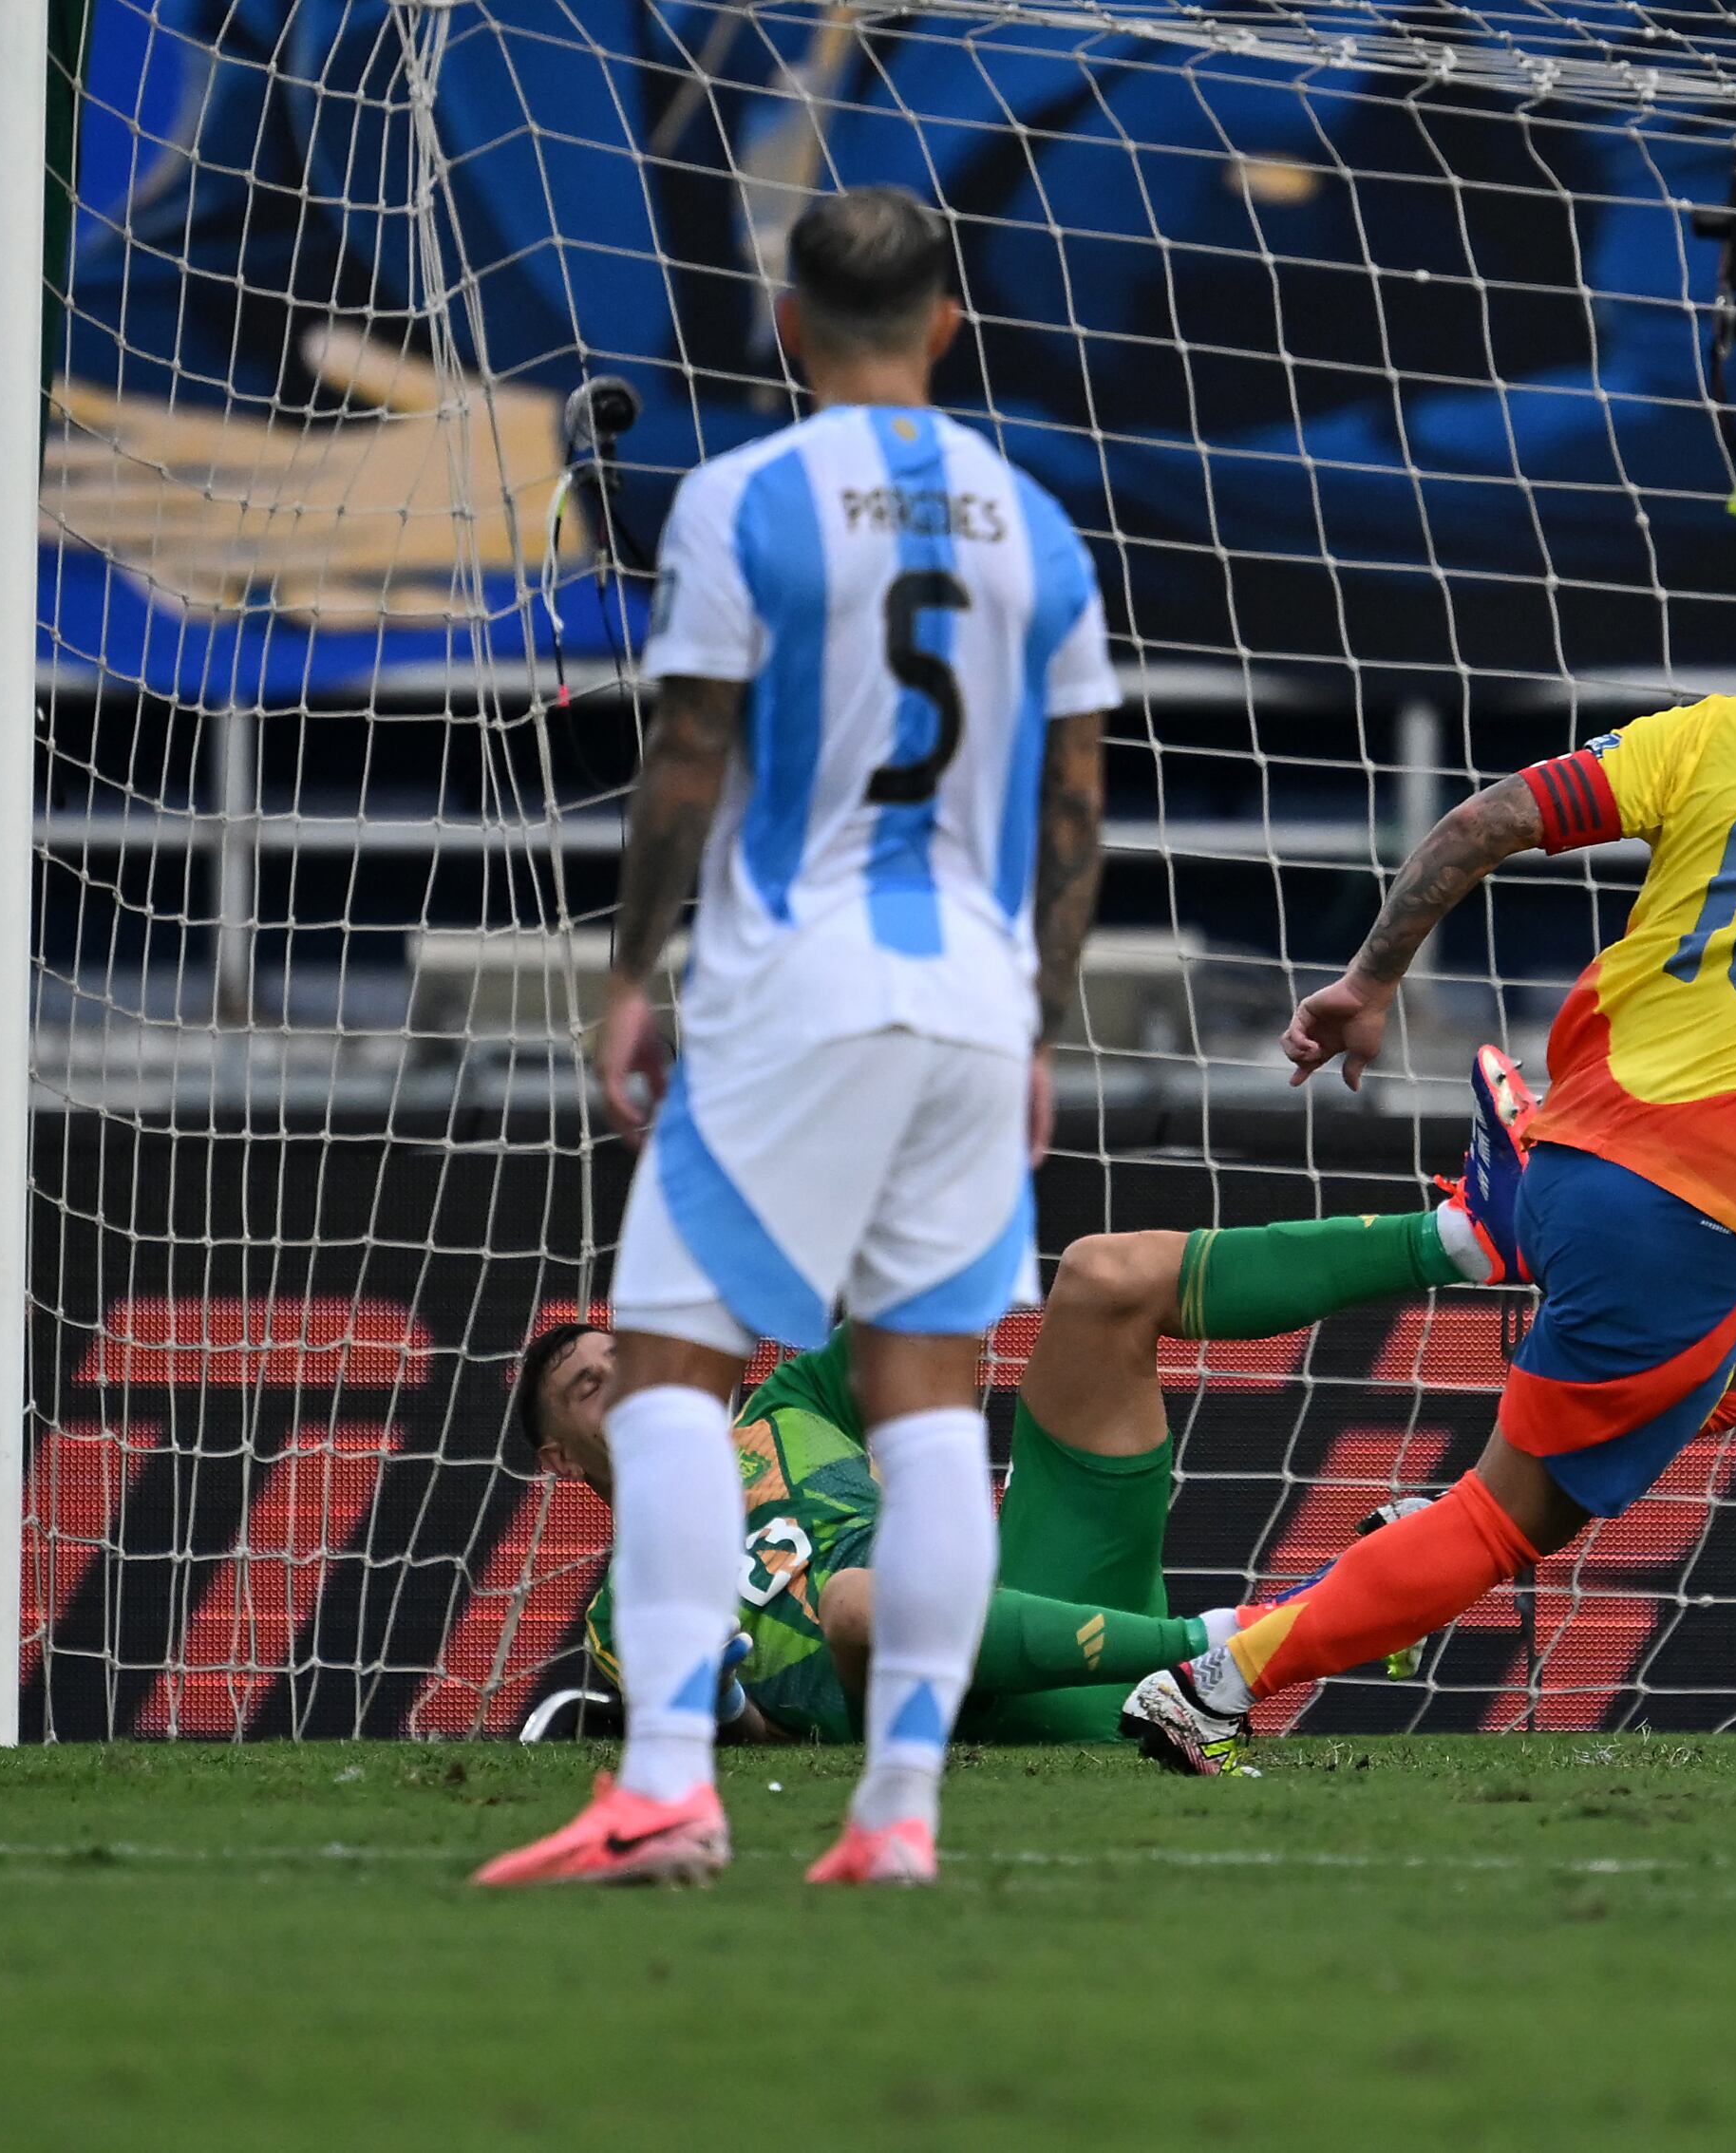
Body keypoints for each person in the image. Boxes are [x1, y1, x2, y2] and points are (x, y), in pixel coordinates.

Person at [1121, 499, 1736, 1771]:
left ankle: (1501, 1212)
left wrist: (1366, 983)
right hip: (1684, 1208)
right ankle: (1218, 1679)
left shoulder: (1714, 732)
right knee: (1502, 1525)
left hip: (1588, 1145)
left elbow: (1476, 822)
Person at [476, 187, 1115, 1890]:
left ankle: (668, 1785)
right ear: (947, 325)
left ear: (782, 325)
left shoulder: (740, 497)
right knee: (922, 1419)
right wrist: (1038, 1018)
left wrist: (628, 974)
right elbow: (1072, 803)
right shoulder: (1032, 523)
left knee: (672, 1371)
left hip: (794, 985)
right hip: (974, 1005)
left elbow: (689, 752)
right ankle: (896, 1814)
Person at [511, 1177, 1736, 1752]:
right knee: (860, 1602)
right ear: (573, 1464)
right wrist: (727, 1703)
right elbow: (730, 1733)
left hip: (1023, 1584)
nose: (622, 1377)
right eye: (588, 1384)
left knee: (1104, 1276)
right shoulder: (625, 1600)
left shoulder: (785, 1400)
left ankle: (1461, 1231)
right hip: (918, 1696)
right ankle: (1256, 1638)